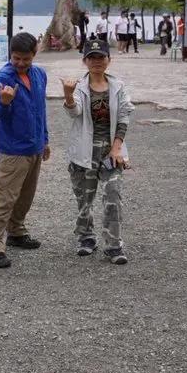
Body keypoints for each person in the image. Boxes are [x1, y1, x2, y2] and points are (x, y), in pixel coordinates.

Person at [61, 39, 134, 264]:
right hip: (84, 149)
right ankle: (86, 238)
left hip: (111, 150)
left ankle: (114, 245)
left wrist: (116, 148)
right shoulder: (80, 87)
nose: (96, 61)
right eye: (91, 57)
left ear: (108, 60)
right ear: (85, 61)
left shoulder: (118, 86)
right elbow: (75, 112)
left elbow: (124, 116)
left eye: (100, 57)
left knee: (113, 195)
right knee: (85, 198)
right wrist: (68, 95)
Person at [0, 32, 50, 268]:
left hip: (34, 145)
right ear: (10, 54)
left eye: (25, 59)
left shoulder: (39, 74)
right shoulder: (4, 77)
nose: (20, 63)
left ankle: (16, 231)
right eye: (16, 58)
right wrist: (5, 101)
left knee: (26, 195)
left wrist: (45, 140)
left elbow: (40, 110)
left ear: (34, 54)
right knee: (4, 197)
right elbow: (1, 113)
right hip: (13, 149)